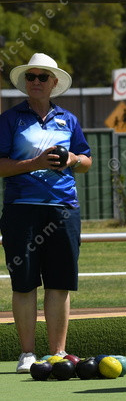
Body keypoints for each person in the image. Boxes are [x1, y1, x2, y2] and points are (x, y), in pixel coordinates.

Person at [0, 53, 92, 373]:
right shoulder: (9, 119)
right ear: (25, 82)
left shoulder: (69, 119)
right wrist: (35, 163)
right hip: (21, 210)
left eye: (42, 77)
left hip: (64, 210)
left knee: (59, 282)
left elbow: (86, 161)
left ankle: (58, 353)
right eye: (31, 77)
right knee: (24, 283)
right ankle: (27, 354)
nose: (36, 82)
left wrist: (73, 160)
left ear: (54, 83)